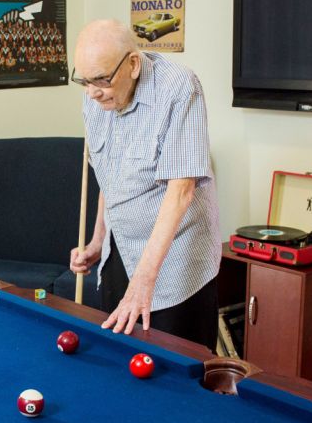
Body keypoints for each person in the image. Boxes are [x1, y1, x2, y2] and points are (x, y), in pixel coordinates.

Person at [69, 19, 221, 350]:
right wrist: (97, 242)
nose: (92, 91)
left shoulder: (180, 87)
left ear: (133, 64)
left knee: (178, 374)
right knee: (117, 360)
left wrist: (143, 279)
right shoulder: (95, 98)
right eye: (83, 80)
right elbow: (108, 179)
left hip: (175, 264)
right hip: (120, 250)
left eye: (101, 80)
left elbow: (181, 192)